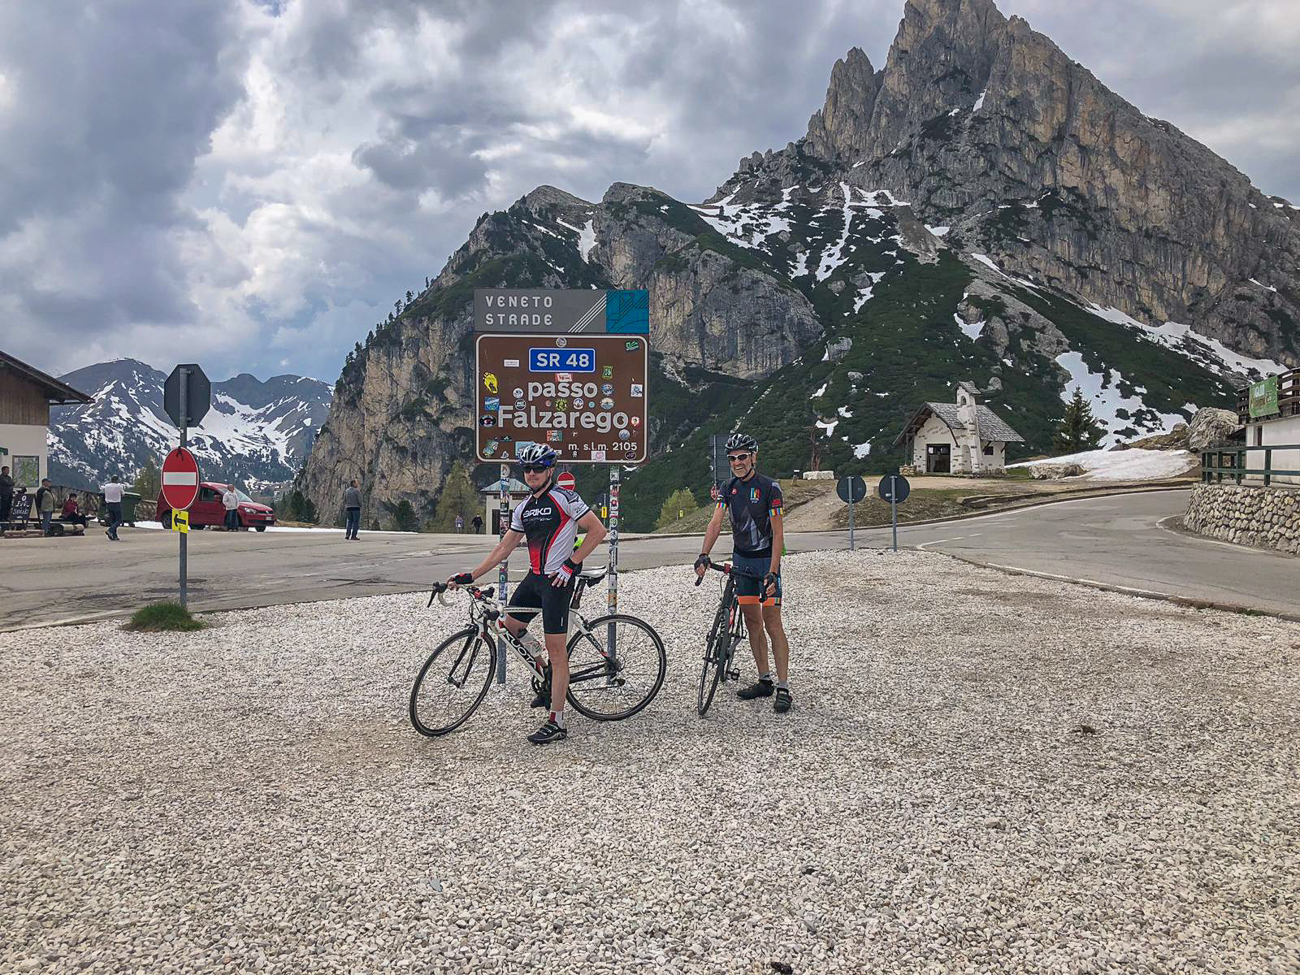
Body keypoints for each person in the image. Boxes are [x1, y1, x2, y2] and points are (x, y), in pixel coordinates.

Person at [448, 443, 607, 745]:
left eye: (538, 468)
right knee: (510, 626)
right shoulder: (524, 508)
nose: (532, 473)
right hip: (535, 579)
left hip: (558, 582)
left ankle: (557, 721)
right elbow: (504, 548)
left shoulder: (565, 498)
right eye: (528, 469)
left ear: (550, 470)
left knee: (557, 651)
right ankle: (547, 676)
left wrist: (571, 566)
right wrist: (471, 575)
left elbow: (597, 531)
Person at [695, 433, 793, 714]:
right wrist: (704, 553)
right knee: (752, 621)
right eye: (732, 458)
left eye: (742, 457)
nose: (737, 462)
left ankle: (783, 686)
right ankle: (764, 680)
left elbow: (777, 533)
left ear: (753, 457)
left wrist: (773, 572)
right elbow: (716, 523)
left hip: (765, 563)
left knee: (772, 622)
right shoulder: (729, 487)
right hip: (742, 562)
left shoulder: (770, 488)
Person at [101, 474, 125, 541]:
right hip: (116, 504)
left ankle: (114, 536)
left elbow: (104, 493)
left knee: (112, 520)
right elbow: (123, 494)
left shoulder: (106, 486)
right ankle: (110, 530)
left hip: (108, 504)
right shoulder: (119, 486)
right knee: (119, 520)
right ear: (117, 480)